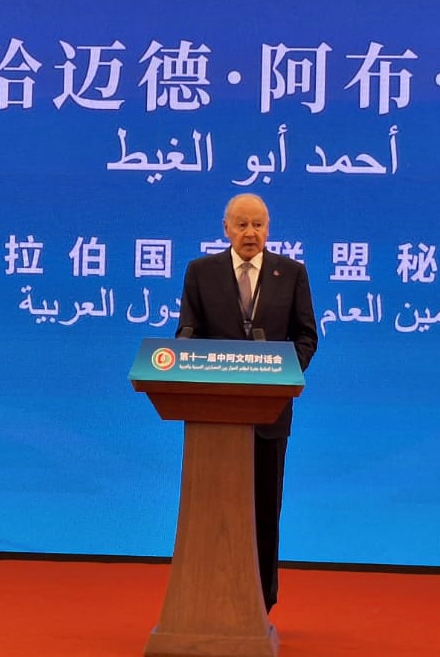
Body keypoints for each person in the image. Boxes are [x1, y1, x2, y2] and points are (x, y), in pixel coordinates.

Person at [176, 193, 318, 612]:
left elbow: (306, 336)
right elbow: (187, 331)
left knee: (264, 512)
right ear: (226, 229)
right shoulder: (201, 272)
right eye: (242, 224)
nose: (250, 233)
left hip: (269, 413)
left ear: (268, 228)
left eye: (258, 224)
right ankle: (206, 600)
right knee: (212, 510)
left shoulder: (291, 273)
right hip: (214, 418)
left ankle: (261, 605)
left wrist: (283, 374)